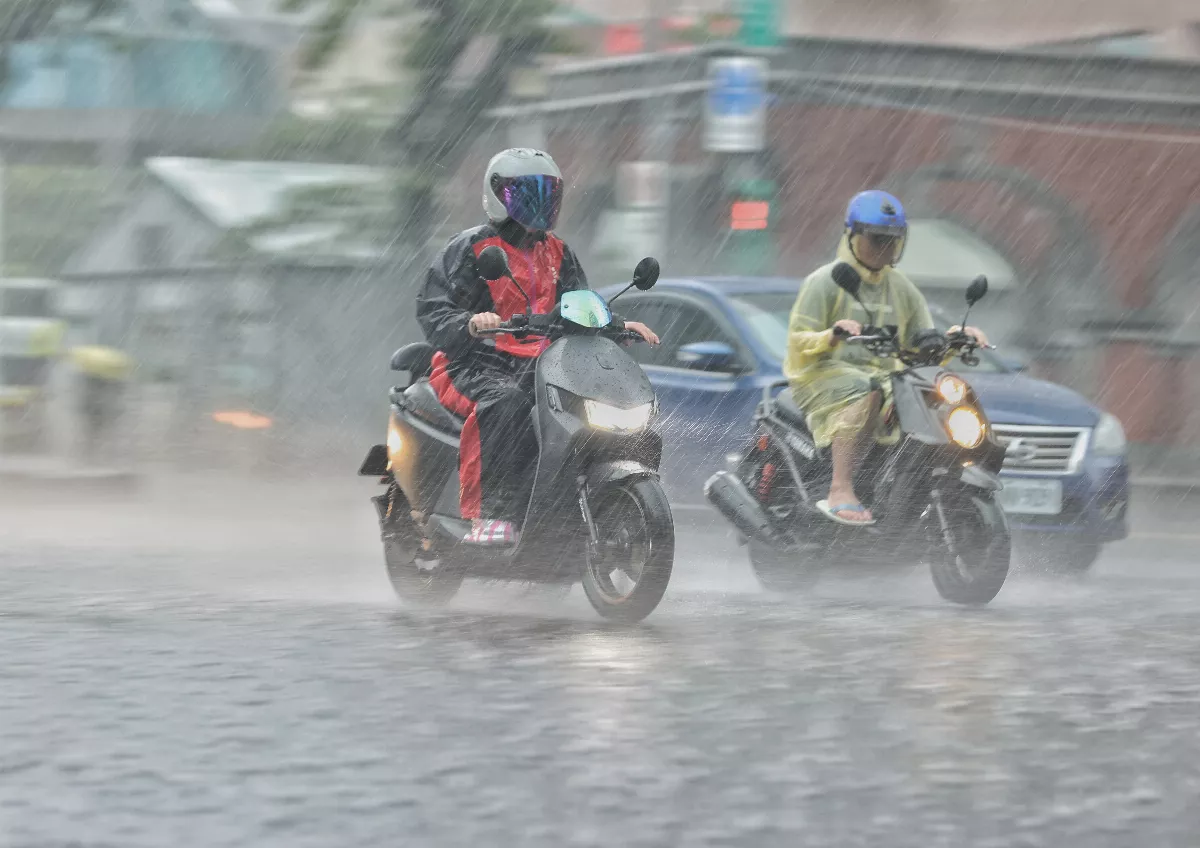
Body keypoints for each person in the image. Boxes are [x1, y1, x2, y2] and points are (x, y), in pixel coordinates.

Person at [416, 148, 659, 545]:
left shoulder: (558, 253)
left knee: (577, 410)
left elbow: (578, 305)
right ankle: (489, 514)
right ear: (497, 196)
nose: (538, 205)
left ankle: (563, 509)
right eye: (526, 195)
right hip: (473, 363)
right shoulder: (471, 249)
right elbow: (433, 308)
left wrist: (617, 324)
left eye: (547, 195)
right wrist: (470, 322)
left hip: (542, 363)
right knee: (504, 404)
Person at [784, 190, 988, 526]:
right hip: (821, 375)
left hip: (884, 376)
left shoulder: (903, 288)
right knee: (869, 390)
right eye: (877, 239)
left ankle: (907, 486)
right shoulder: (825, 282)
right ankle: (840, 489)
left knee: (933, 397)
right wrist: (831, 335)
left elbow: (924, 344)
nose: (885, 248)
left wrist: (956, 339)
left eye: (893, 240)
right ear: (852, 236)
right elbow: (797, 340)